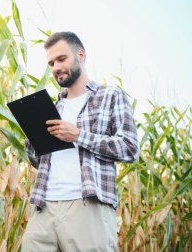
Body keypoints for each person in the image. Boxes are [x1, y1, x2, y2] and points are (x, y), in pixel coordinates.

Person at [21, 32, 139, 251]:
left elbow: (130, 148)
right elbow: (37, 161)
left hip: (87, 204)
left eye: (61, 59)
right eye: (51, 63)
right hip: (44, 206)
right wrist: (33, 137)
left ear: (81, 55)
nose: (56, 67)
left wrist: (78, 136)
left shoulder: (110, 96)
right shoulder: (53, 107)